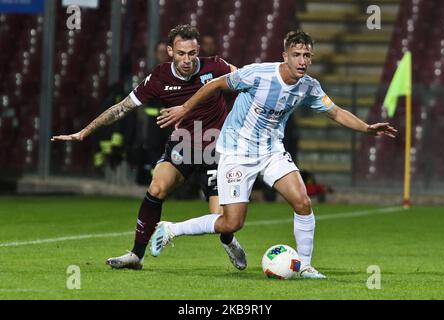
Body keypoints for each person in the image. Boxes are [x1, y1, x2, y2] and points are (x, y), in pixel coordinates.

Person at [152, 30, 397, 279]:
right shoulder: (258, 74)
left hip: (271, 151)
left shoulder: (308, 86)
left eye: (307, 55)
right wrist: (184, 108)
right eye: (296, 55)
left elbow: (335, 112)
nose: (302, 61)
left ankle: (306, 266)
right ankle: (172, 228)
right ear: (285, 56)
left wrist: (366, 128)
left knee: (302, 202)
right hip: (237, 152)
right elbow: (215, 84)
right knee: (231, 223)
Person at [51, 25, 247, 271]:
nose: (187, 60)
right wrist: (84, 132)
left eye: (192, 53)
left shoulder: (216, 67)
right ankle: (136, 255)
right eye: (181, 53)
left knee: (223, 219)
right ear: (169, 51)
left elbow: (249, 81)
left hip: (216, 149)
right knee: (157, 186)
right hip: (183, 144)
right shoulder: (159, 78)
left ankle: (227, 239)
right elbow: (121, 108)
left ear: (198, 51)